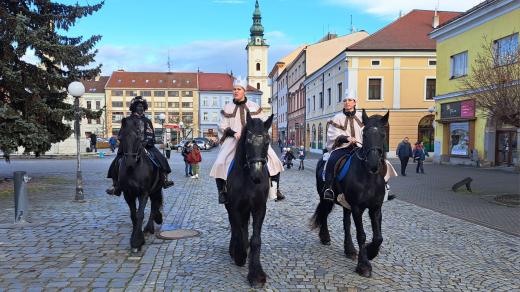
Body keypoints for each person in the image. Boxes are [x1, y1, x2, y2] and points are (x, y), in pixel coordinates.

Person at [210, 79, 284, 204]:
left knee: (274, 159)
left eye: (238, 89)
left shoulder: (254, 106)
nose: (236, 91)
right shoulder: (228, 107)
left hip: (254, 140)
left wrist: (257, 135)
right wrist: (234, 133)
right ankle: (222, 192)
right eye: (234, 89)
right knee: (219, 162)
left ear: (244, 91)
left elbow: (262, 123)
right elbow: (222, 126)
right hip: (234, 139)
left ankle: (274, 190)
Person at [322, 89, 397, 208]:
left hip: (361, 147)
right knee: (332, 160)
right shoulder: (337, 118)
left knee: (383, 162)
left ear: (355, 102)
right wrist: (346, 138)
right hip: (343, 148)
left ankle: (385, 186)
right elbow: (332, 134)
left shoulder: (362, 116)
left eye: (350, 100)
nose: (347, 103)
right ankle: (329, 188)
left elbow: (371, 130)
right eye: (345, 100)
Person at [105, 96, 174, 196]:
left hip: (146, 146)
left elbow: (151, 134)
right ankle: (116, 185)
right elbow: (121, 134)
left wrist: (147, 141)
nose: (140, 108)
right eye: (138, 106)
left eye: (142, 106)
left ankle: (164, 180)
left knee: (161, 158)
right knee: (116, 161)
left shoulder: (147, 121)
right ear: (134, 108)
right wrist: (124, 139)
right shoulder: (127, 120)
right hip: (129, 147)